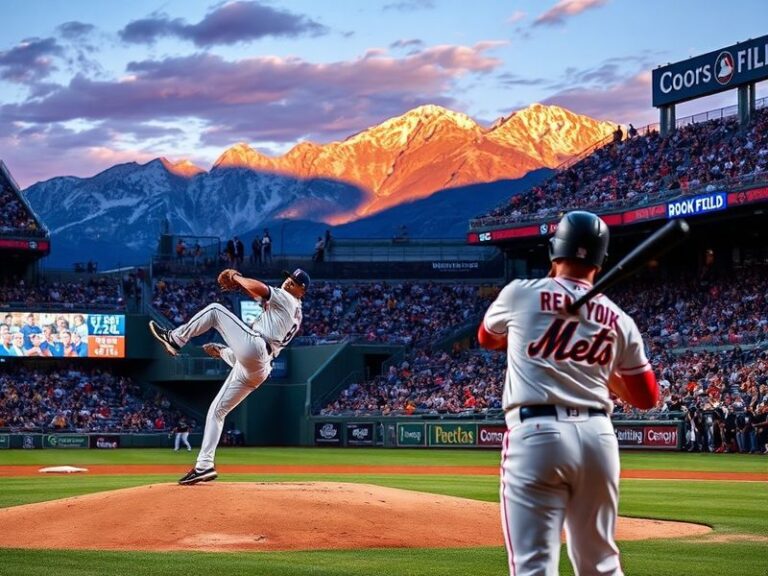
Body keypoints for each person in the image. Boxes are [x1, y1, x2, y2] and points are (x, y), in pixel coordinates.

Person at [478, 211, 658, 576]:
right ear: (600, 260)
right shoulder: (619, 318)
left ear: (553, 251)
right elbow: (646, 397)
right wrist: (599, 365)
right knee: (602, 564)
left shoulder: (520, 293)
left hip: (537, 435)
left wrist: (537, 334)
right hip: (598, 439)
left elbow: (486, 337)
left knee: (534, 566)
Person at [148, 267, 310, 485]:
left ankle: (175, 339)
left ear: (302, 291)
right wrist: (223, 351)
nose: (289, 283)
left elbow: (261, 289)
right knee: (217, 411)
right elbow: (257, 296)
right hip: (259, 367)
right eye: (289, 279)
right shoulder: (293, 309)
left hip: (257, 348)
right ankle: (204, 466)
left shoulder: (287, 299)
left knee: (215, 310)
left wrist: (236, 277)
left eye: (295, 282)